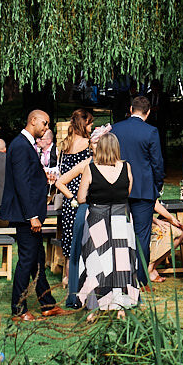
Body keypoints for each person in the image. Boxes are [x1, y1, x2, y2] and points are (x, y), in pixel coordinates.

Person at [57, 131, 141, 315]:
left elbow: (81, 198)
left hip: (97, 218)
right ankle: (121, 305)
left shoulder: (91, 168)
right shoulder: (126, 167)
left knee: (97, 261)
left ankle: (94, 306)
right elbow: (127, 191)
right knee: (121, 262)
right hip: (121, 219)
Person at [0, 109, 64, 321]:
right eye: (44, 123)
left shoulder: (26, 144)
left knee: (37, 259)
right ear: (33, 120)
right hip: (26, 214)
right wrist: (32, 216)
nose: (46, 128)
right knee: (27, 261)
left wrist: (42, 177)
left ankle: (47, 305)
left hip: (30, 212)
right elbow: (21, 183)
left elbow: (28, 177)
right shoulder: (20, 145)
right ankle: (18, 310)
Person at [111, 95, 165, 282]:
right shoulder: (151, 131)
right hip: (143, 190)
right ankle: (140, 279)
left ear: (131, 109)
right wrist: (157, 186)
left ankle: (120, 276)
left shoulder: (116, 129)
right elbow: (157, 163)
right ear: (148, 112)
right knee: (142, 235)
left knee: (119, 233)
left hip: (119, 188)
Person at [56, 109, 94, 305]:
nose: (92, 127)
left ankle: (68, 277)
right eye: (90, 123)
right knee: (82, 239)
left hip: (67, 195)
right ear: (83, 124)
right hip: (81, 195)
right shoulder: (88, 145)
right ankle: (79, 281)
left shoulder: (65, 145)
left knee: (70, 238)